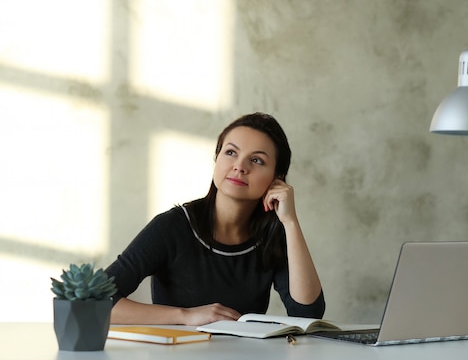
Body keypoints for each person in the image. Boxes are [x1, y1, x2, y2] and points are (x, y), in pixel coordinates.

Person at [106, 112, 324, 326]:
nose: (240, 166)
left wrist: (291, 222)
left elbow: (307, 315)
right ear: (216, 159)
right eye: (231, 153)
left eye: (257, 160)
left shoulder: (273, 235)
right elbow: (96, 301)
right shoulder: (172, 226)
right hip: (177, 358)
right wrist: (185, 316)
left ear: (278, 179)